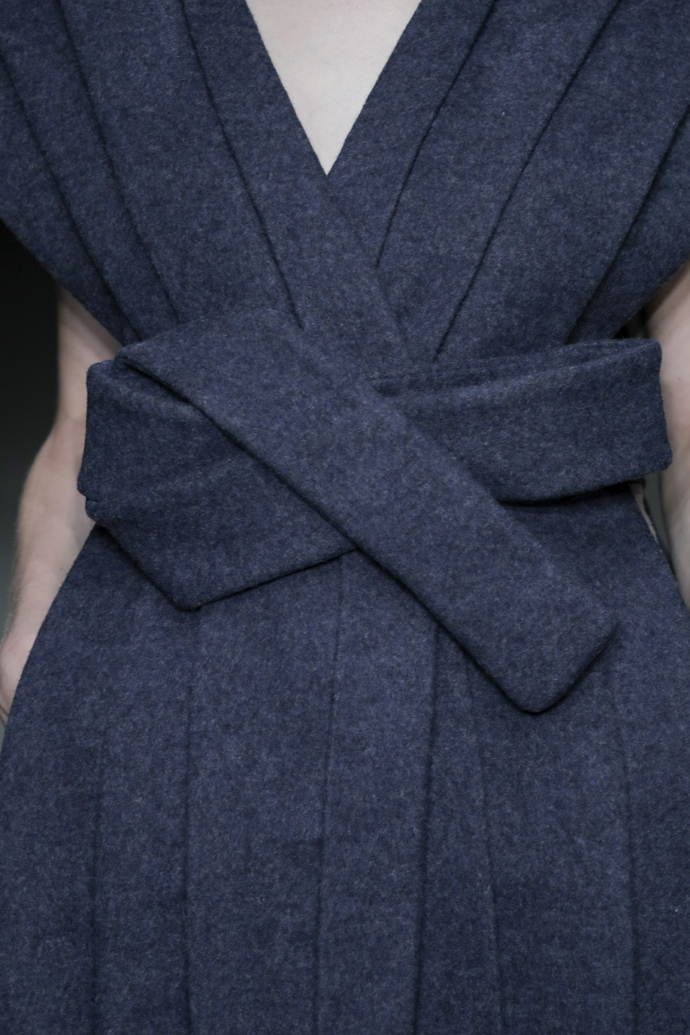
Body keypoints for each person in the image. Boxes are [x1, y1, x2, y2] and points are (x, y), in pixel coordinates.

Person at [1, 1, 690, 1030]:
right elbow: (95, 410)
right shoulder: (84, 21)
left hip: (560, 698)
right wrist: (29, 665)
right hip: (158, 715)